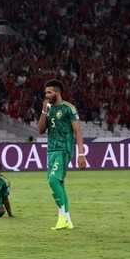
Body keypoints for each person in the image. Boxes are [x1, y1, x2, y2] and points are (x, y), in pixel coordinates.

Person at [37, 79, 86, 231]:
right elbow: (40, 130)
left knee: (53, 180)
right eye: (45, 92)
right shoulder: (49, 108)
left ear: (57, 93)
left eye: (49, 92)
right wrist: (44, 111)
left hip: (64, 150)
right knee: (59, 183)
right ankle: (68, 220)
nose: (46, 95)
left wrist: (81, 153)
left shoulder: (68, 108)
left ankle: (62, 216)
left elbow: (77, 131)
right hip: (51, 150)